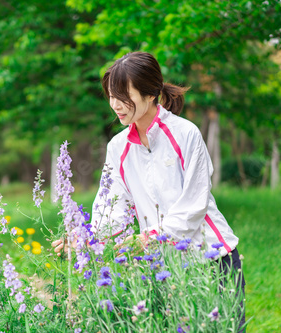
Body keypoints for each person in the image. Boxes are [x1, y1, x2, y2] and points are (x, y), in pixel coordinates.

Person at [53, 51, 245, 331]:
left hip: (213, 260)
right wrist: (85, 240)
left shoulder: (185, 134)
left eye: (124, 96)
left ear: (151, 93)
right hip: (164, 268)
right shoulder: (118, 148)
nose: (116, 105)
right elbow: (112, 209)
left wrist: (147, 238)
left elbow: (194, 205)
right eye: (110, 96)